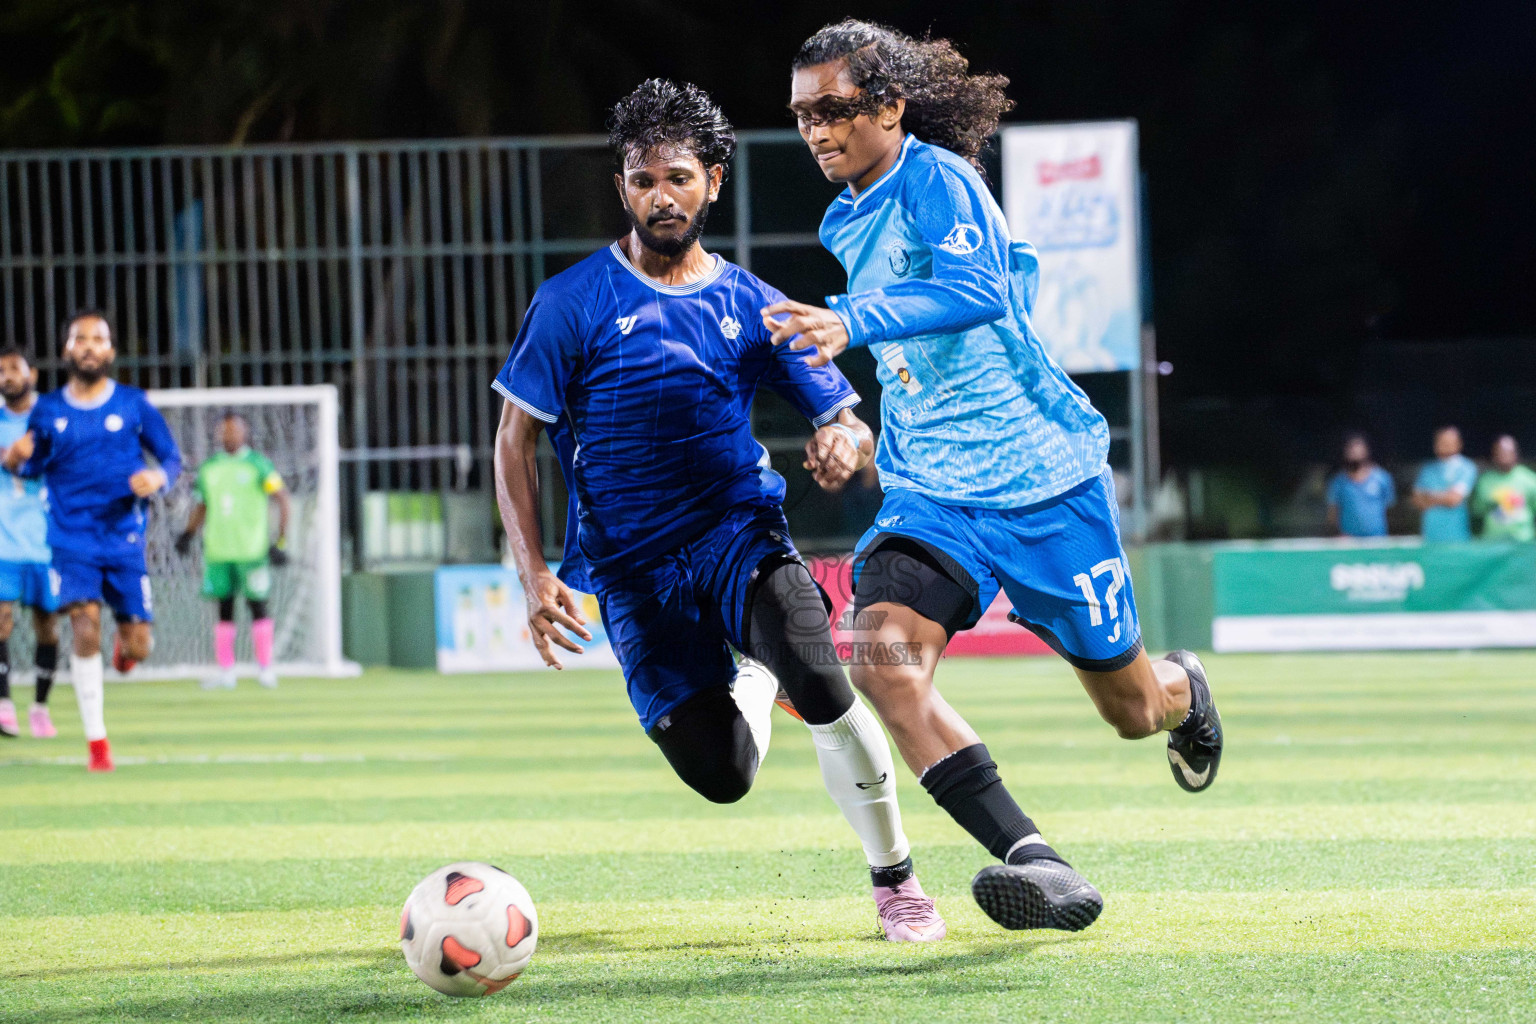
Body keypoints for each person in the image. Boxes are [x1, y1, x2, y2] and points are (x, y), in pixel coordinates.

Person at [764, 19, 1223, 933]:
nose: (816, 131)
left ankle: (1183, 687)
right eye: (802, 114)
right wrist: (853, 418)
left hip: (1043, 482)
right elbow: (913, 340)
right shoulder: (845, 213)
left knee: (1131, 711)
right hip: (933, 489)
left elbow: (982, 294)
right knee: (885, 661)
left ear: (889, 106)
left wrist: (851, 322)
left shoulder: (936, 178)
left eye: (834, 110)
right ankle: (1037, 862)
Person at [492, 80, 944, 942]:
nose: (659, 196)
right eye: (640, 180)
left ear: (712, 181)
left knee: (826, 685)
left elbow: (846, 421)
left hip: (739, 536)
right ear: (623, 187)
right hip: (630, 571)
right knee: (723, 775)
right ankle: (752, 674)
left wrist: (849, 441)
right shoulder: (570, 302)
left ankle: (897, 882)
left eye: (677, 177)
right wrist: (534, 573)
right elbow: (513, 440)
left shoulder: (750, 303)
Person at [1, 311, 182, 772]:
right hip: (70, 537)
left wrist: (158, 475)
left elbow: (171, 457)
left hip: (123, 538)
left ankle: (127, 653)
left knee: (139, 644)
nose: (87, 346)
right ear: (66, 350)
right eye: (79, 338)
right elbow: (36, 465)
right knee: (83, 627)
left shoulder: (133, 404)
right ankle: (97, 745)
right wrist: (17, 460)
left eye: (97, 338)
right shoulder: (48, 411)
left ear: (110, 351)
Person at [175, 413, 291, 690]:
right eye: (224, 432)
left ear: (245, 433)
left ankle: (265, 668)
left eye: (234, 431)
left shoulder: (259, 465)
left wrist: (281, 541)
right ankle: (226, 671)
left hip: (252, 551)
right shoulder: (209, 468)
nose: (229, 436)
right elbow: (202, 505)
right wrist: (188, 534)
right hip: (218, 550)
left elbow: (282, 500)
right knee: (223, 610)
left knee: (258, 606)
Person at [0, 348, 62, 739]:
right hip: (4, 541)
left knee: (48, 628)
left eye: (13, 369)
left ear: (32, 374)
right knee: (1, 620)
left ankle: (40, 707)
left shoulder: (52, 418)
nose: (6, 376)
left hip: (47, 542)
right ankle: (4, 704)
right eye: (1, 371)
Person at [1413, 426, 1478, 543]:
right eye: (1441, 442)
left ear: (1459, 444)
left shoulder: (1467, 467)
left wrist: (1429, 496)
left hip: (1457, 536)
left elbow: (1454, 499)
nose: (1445, 445)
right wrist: (1445, 495)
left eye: (1449, 442)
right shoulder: (1427, 469)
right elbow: (1418, 501)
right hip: (1431, 536)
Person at [1325, 433, 1396, 538]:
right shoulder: (1338, 481)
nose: (1355, 452)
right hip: (1348, 541)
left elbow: (1390, 510)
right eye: (1351, 449)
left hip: (1377, 539)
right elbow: (1332, 513)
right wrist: (1338, 535)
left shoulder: (1382, 478)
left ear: (1366, 451)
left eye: (1358, 448)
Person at [1471, 435, 1536, 542]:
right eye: (1500, 453)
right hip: (1493, 540)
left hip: (1522, 540)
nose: (1504, 456)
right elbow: (1477, 510)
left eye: (1508, 452)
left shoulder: (1529, 478)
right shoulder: (1485, 480)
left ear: (1515, 454)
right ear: (1494, 456)